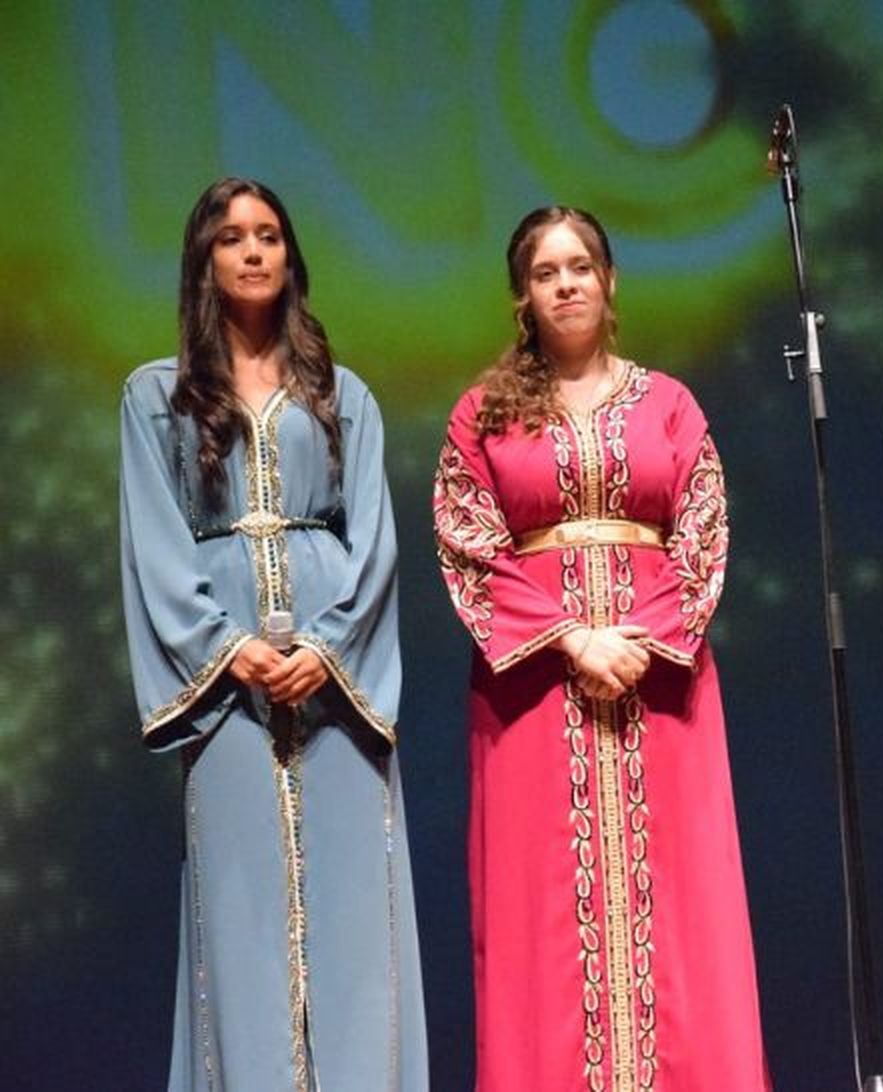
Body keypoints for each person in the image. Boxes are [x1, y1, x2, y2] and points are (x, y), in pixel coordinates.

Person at [432, 205, 767, 1090]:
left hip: (660, 686)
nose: (567, 283)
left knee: (684, 910)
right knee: (541, 916)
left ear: (610, 282)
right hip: (534, 689)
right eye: (546, 272)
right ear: (523, 297)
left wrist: (641, 642)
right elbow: (468, 540)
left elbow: (701, 525)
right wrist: (570, 638)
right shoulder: (483, 413)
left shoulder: (669, 403)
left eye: (581, 265)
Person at [118, 177, 427, 1090]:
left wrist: (326, 650)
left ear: (291, 257)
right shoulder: (157, 396)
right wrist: (228, 650)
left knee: (354, 915)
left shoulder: (343, 394)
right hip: (229, 699)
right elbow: (155, 543)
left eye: (268, 235)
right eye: (230, 237)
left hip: (335, 688)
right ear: (203, 259)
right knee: (243, 917)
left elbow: (372, 539)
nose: (252, 251)